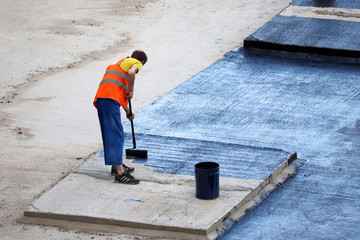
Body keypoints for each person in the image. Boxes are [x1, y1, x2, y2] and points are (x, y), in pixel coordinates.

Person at [93, 50, 147, 184]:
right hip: (109, 100)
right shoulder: (136, 63)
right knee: (116, 134)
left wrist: (128, 111)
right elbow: (131, 73)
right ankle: (120, 173)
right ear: (143, 62)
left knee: (112, 133)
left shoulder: (119, 63)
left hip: (103, 99)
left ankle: (116, 164)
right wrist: (132, 90)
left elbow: (118, 89)